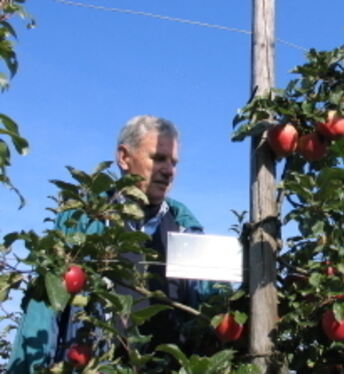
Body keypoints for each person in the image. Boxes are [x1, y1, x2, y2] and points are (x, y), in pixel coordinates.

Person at [8, 115, 208, 372]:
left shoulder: (186, 228)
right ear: (124, 158)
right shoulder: (83, 221)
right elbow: (44, 308)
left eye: (174, 162)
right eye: (158, 158)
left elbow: (207, 302)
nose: (169, 171)